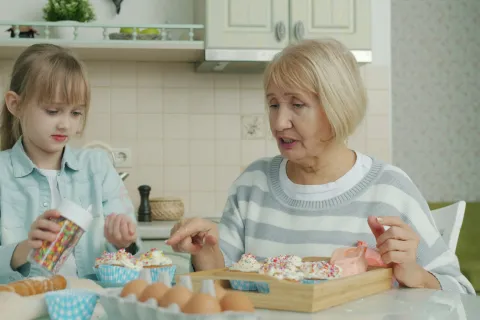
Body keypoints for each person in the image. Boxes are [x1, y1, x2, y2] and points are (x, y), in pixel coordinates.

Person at [166, 38, 475, 295]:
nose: (279, 122)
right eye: (273, 104)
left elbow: (459, 292)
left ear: (337, 108)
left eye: (296, 105)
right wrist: (206, 253)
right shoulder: (252, 183)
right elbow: (224, 284)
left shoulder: (390, 189)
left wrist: (414, 274)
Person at [0, 44, 141, 284]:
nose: (66, 124)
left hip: (93, 303)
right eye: (53, 111)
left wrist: (124, 244)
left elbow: (132, 254)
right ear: (16, 104)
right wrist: (23, 249)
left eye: (76, 113)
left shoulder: (98, 167)